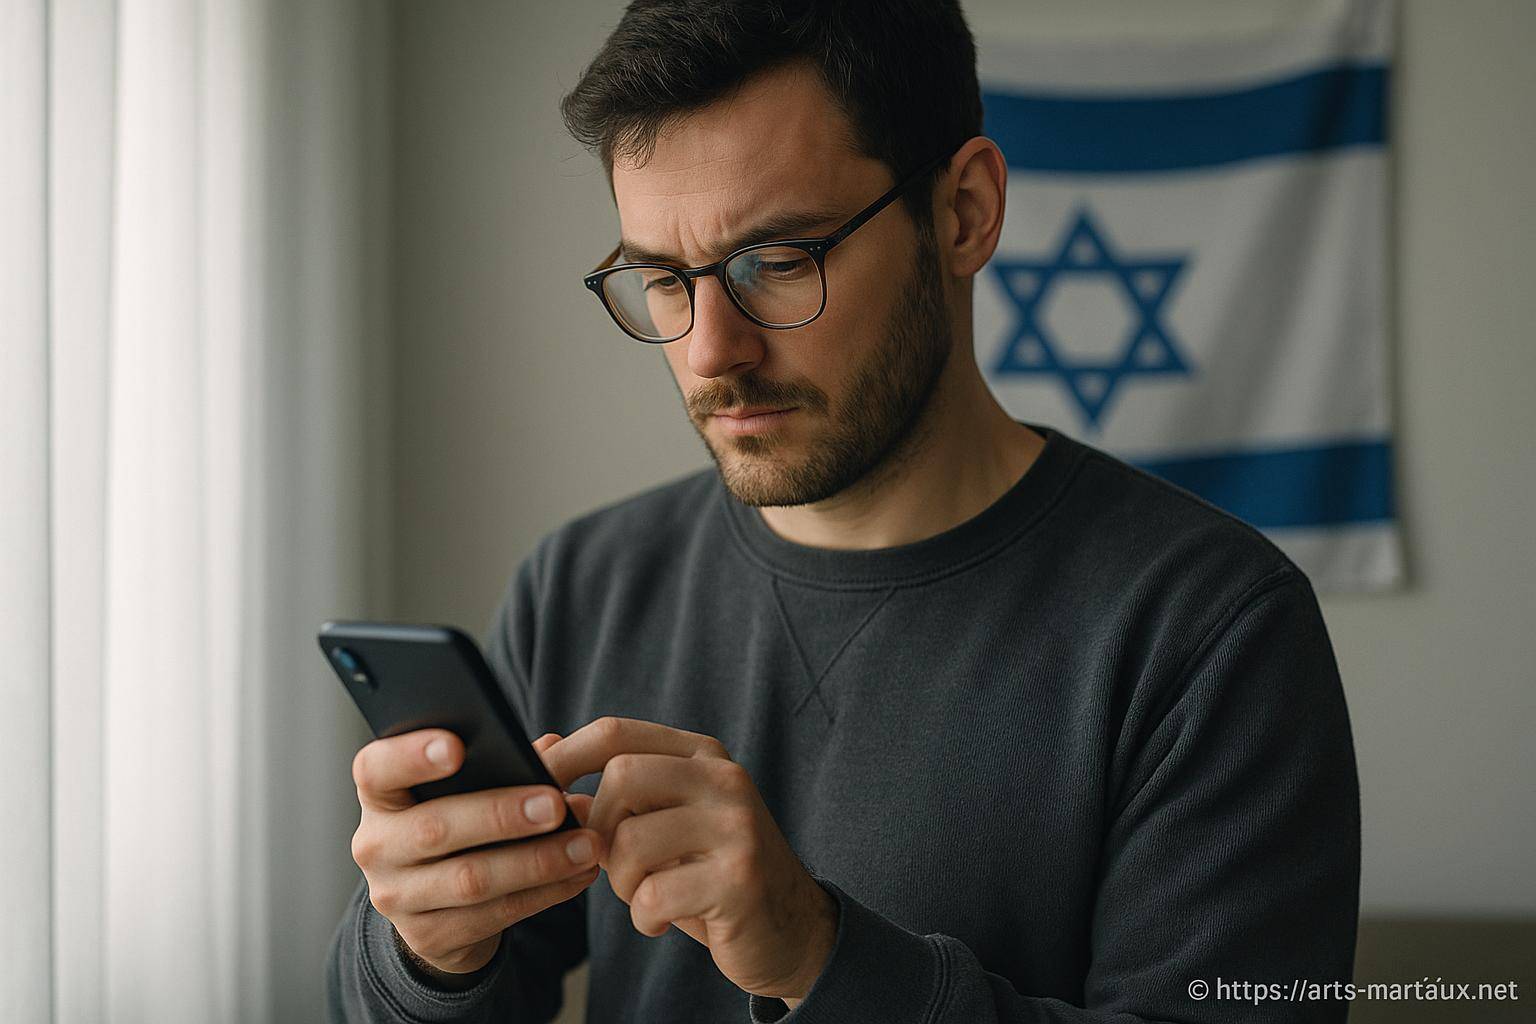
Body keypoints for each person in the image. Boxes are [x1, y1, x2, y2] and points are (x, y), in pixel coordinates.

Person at [326, 2, 1360, 1021]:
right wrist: (424, 953)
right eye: (662, 280)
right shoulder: (584, 584)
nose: (708, 351)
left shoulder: (1213, 628)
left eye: (775, 262)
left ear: (963, 213)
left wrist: (822, 958)